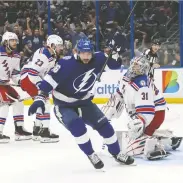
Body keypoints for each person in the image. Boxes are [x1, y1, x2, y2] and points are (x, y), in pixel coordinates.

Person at [28, 38, 135, 169]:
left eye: (89, 53)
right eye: (83, 53)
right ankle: (91, 154)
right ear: (76, 52)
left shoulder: (99, 58)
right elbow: (48, 82)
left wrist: (116, 52)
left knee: (105, 126)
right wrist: (40, 98)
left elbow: (115, 65)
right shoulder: (65, 64)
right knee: (78, 127)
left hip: (84, 102)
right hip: (64, 105)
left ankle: (117, 153)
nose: (86, 56)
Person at [102, 56, 183, 159]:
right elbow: (119, 95)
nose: (134, 68)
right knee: (135, 134)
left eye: (138, 66)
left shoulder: (142, 84)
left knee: (133, 147)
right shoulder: (126, 77)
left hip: (155, 114)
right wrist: (111, 108)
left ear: (143, 68)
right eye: (133, 64)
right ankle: (168, 138)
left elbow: (147, 111)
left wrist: (139, 122)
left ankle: (160, 144)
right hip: (139, 112)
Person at [20, 34, 63, 143]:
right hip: (29, 78)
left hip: (32, 78)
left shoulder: (52, 55)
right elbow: (32, 73)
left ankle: (37, 130)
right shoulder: (43, 55)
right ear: (52, 45)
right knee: (45, 102)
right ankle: (44, 133)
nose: (61, 48)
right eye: (59, 46)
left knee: (43, 102)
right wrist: (42, 87)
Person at [0, 31, 32, 143]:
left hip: (5, 84)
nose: (14, 42)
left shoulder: (17, 56)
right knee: (4, 104)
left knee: (19, 102)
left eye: (15, 40)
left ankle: (19, 130)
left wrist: (20, 81)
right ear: (5, 42)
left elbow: (15, 74)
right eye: (12, 40)